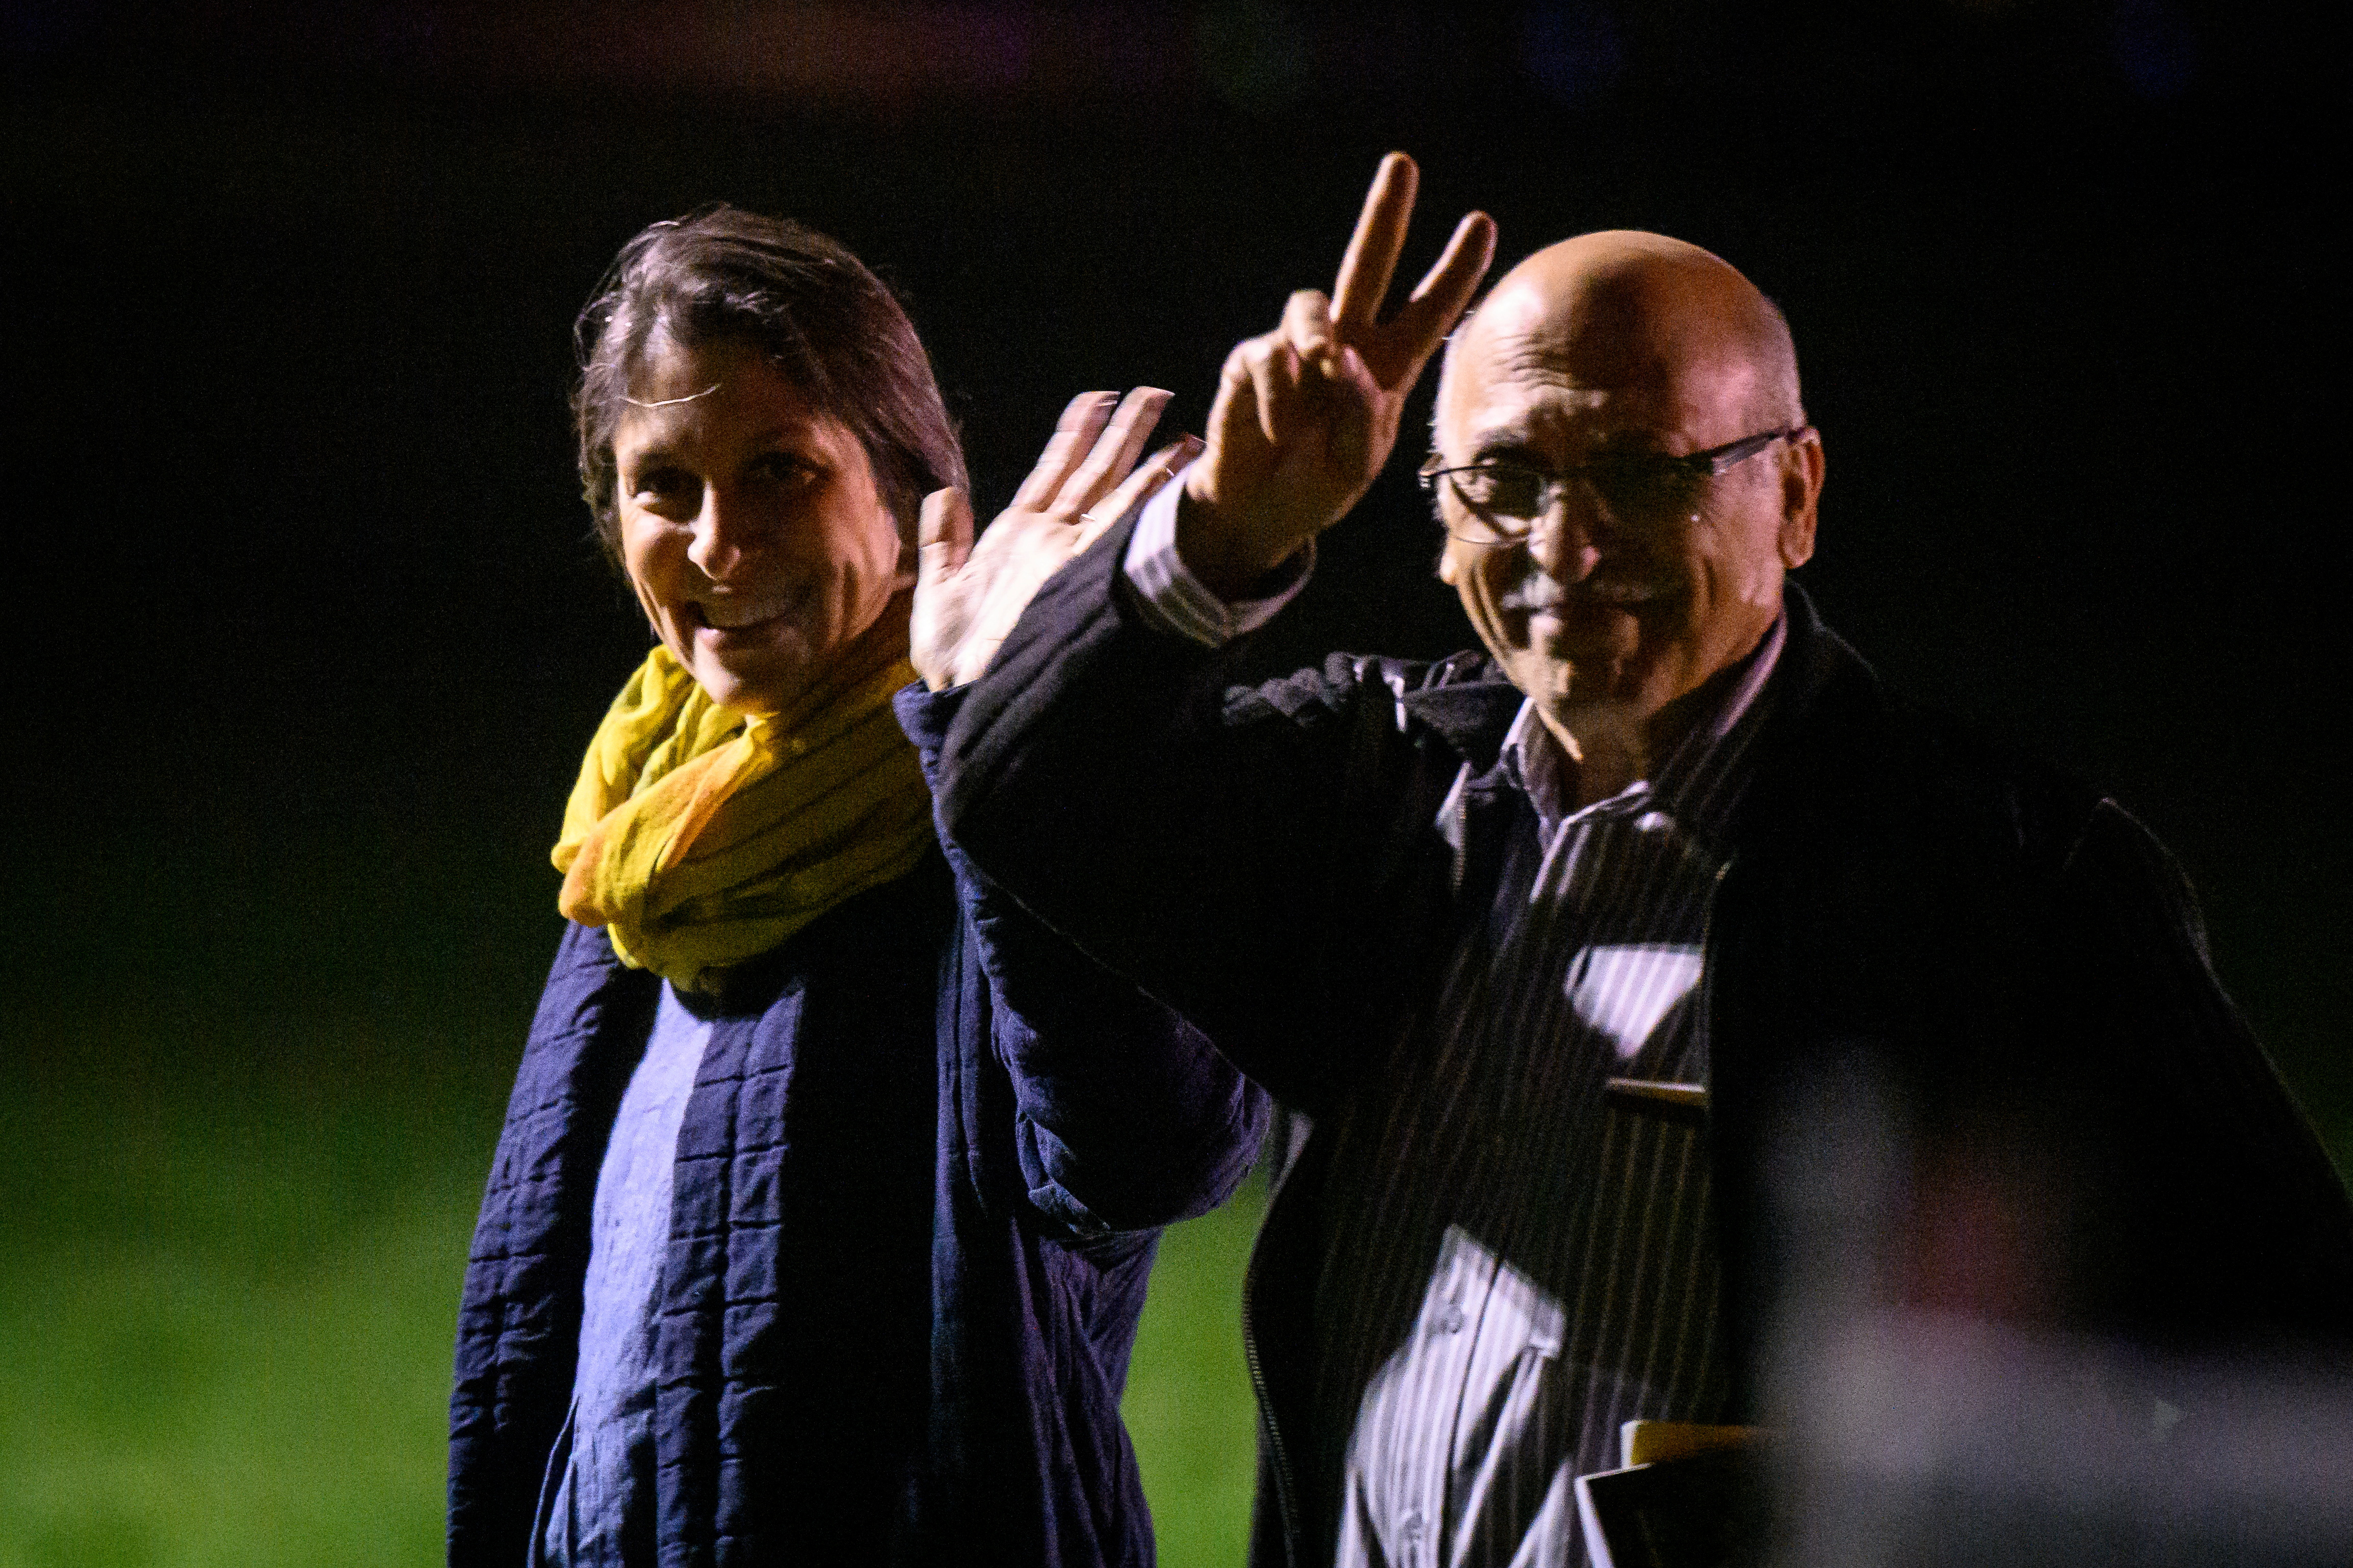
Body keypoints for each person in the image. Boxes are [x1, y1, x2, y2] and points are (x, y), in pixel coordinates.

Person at [916, 155, 2353, 1565]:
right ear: (1432, 513)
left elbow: (2293, 1367)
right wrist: (1225, 536)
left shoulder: (2002, 874)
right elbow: (1025, 795)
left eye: (1642, 471)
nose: (1567, 540)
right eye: (1507, 476)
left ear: (1795, 494)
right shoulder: (1386, 781)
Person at [446, 205, 1267, 1566]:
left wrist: (1002, 746)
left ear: (905, 489)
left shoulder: (1004, 791)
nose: (718, 543)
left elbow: (1159, 1146)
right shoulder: (648, 840)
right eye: (663, 485)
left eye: (780, 471)